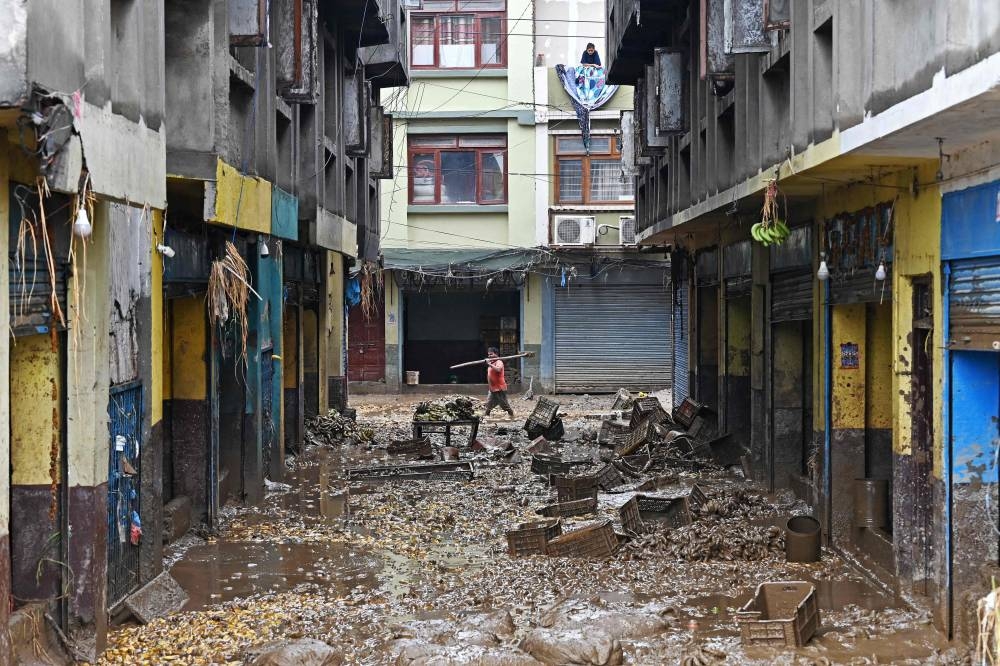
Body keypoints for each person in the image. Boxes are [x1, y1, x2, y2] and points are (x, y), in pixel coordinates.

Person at [483, 347, 515, 418]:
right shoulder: (491, 362)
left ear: (496, 354)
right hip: (492, 388)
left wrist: (489, 364)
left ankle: (511, 414)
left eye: (491, 354)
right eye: (488, 355)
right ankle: (486, 415)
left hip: (499, 388)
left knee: (504, 404)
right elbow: (489, 375)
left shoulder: (499, 362)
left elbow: (498, 369)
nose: (489, 356)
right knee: (489, 403)